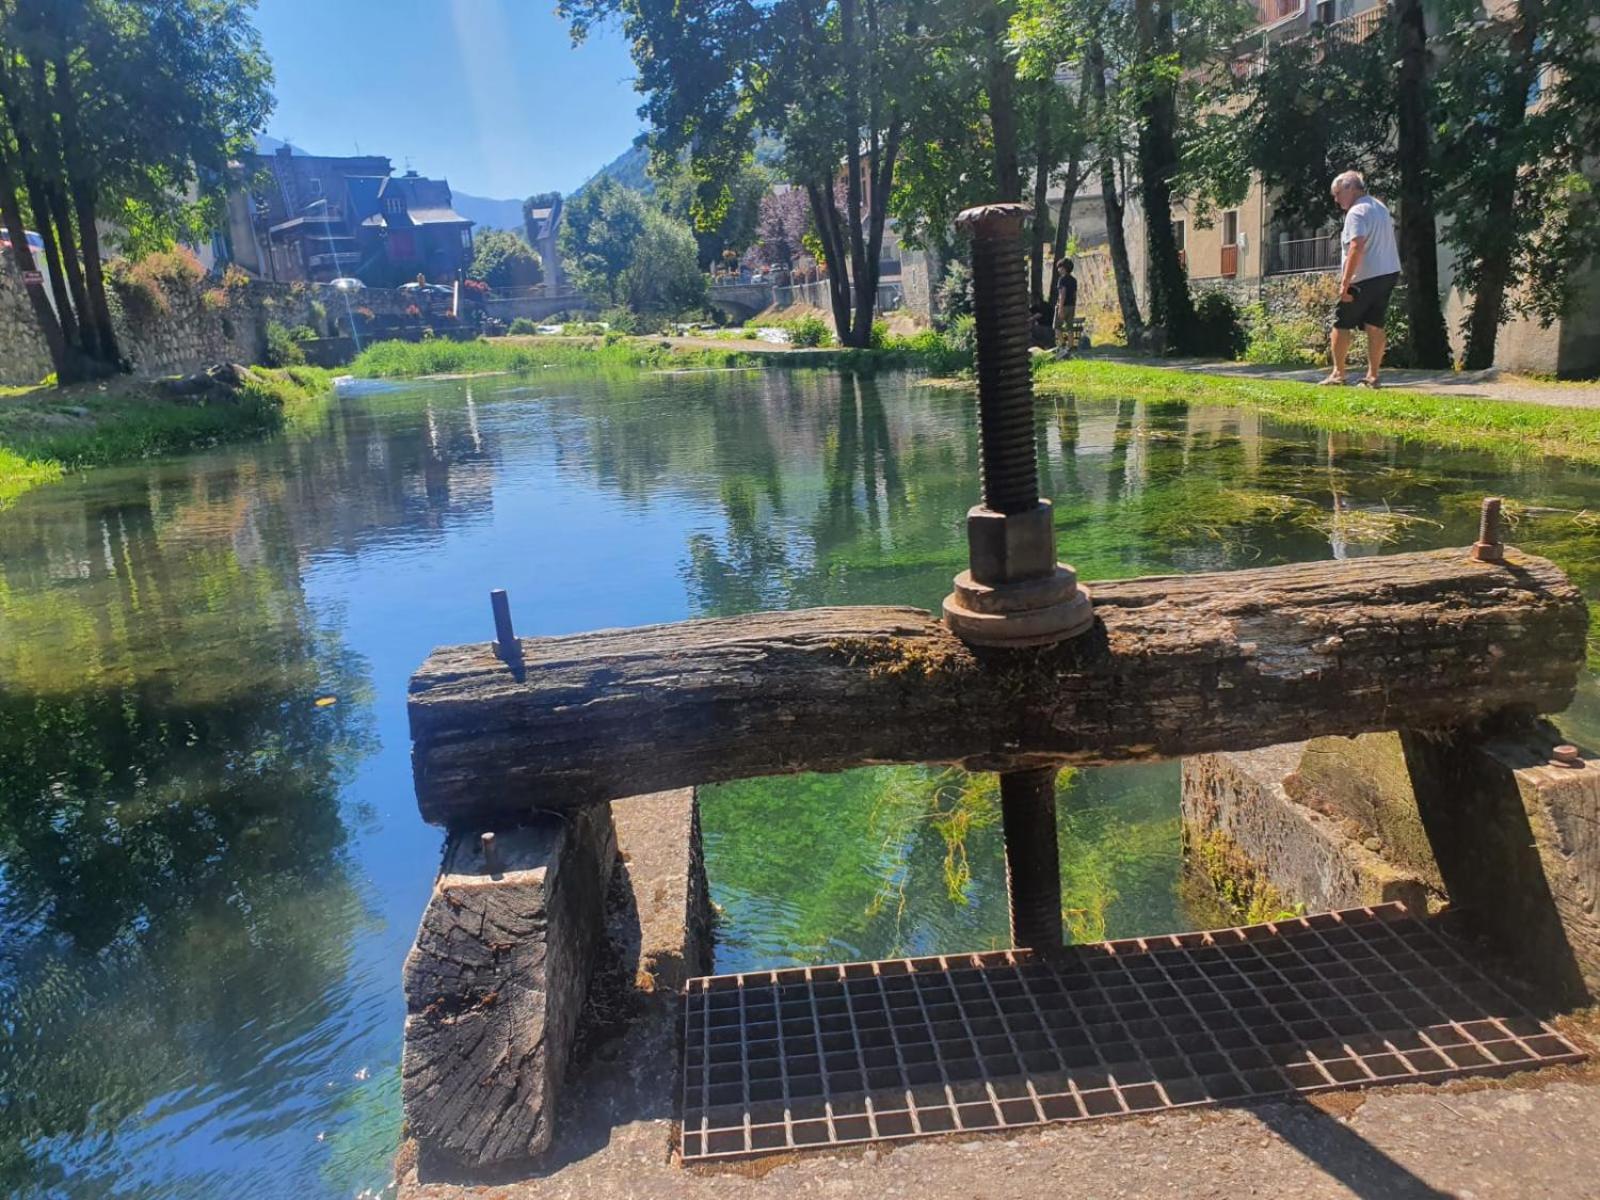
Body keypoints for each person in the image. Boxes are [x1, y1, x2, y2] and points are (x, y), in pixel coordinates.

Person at [1322, 170, 1401, 388]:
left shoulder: (1356, 212)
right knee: (1375, 323)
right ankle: (1373, 377)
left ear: (1351, 188)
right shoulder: (1380, 207)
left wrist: (1345, 283)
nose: (1336, 199)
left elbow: (1357, 246)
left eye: (1337, 193)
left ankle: (1338, 374)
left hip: (1364, 276)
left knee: (1341, 322)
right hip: (1388, 273)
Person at [1054, 258, 1078, 359]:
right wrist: (1074, 305)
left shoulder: (1062, 279)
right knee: (1069, 326)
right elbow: (1074, 294)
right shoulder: (1073, 280)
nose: (1058, 270)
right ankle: (1070, 346)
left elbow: (1062, 293)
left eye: (1059, 267)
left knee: (1056, 326)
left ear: (1063, 268)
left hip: (1063, 305)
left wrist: (1060, 307)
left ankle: (1063, 345)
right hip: (1071, 305)